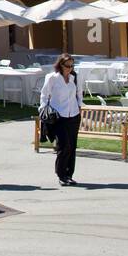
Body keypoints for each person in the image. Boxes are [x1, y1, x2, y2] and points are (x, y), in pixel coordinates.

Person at [40, 53, 83, 186]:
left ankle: (69, 174)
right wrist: (43, 109)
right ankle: (61, 174)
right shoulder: (52, 78)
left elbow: (79, 93)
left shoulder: (74, 77)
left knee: (72, 146)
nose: (69, 68)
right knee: (64, 146)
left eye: (71, 66)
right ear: (60, 65)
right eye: (67, 66)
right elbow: (44, 94)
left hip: (74, 115)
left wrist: (79, 106)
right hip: (59, 116)